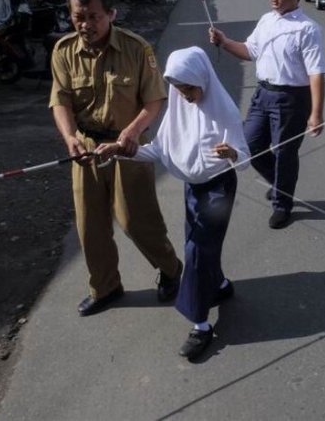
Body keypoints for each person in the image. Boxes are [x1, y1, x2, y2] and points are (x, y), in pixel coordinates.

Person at [96, 47, 250, 360]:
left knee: (196, 250)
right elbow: (160, 151)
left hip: (218, 189)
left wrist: (233, 154)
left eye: (190, 88)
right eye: (179, 89)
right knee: (199, 244)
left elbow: (247, 159)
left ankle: (201, 325)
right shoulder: (179, 109)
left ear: (203, 80)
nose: (185, 95)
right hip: (193, 189)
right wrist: (122, 151)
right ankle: (218, 284)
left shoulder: (225, 112)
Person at [49, 0, 182, 316]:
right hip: (87, 148)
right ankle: (105, 286)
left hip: (127, 146)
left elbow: (153, 101)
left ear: (111, 13)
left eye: (93, 16)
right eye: (78, 17)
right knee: (90, 224)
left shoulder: (137, 50)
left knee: (137, 219)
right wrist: (70, 138)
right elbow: (60, 101)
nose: (85, 24)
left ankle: (171, 270)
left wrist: (132, 133)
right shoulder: (63, 51)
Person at [208, 0, 325, 229]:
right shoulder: (266, 20)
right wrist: (224, 42)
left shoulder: (308, 29)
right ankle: (280, 184)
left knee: (284, 153)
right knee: (248, 145)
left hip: (291, 98)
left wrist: (316, 113)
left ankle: (282, 203)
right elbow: (250, 51)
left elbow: (316, 73)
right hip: (263, 94)